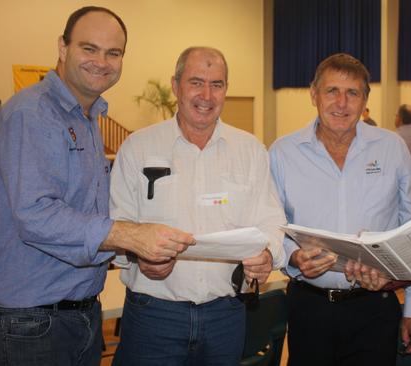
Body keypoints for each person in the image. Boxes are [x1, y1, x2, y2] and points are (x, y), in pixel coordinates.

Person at [0, 7, 194, 366]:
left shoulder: (86, 117)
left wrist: (138, 249)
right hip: (31, 324)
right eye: (89, 48)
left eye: (113, 53)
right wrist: (131, 236)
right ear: (62, 47)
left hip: (76, 315)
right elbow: (36, 214)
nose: (101, 61)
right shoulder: (33, 113)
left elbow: (85, 213)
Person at [109, 46, 286, 365]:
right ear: (176, 86)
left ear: (226, 91)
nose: (206, 94)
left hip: (226, 316)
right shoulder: (137, 148)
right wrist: (139, 256)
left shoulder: (250, 150)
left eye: (217, 84)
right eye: (196, 82)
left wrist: (268, 255)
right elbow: (117, 225)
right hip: (154, 317)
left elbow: (271, 220)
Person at [269, 53, 411, 366]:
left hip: (375, 305)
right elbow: (272, 224)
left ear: (365, 100)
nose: (341, 103)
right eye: (332, 91)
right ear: (314, 95)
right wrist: (293, 256)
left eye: (352, 93)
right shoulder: (282, 152)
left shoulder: (391, 147)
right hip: (309, 308)